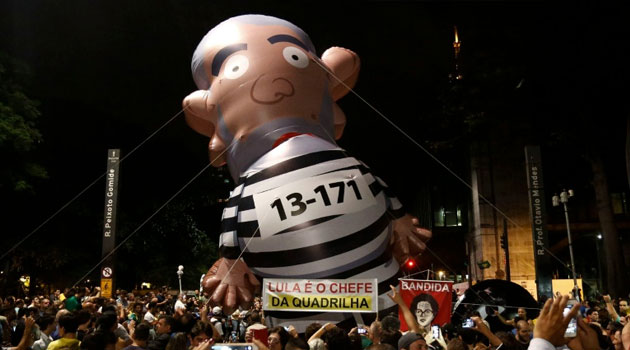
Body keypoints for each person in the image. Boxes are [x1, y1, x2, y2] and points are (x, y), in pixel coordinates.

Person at [187, 14, 431, 329]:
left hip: (328, 308)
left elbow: (232, 225)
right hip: (360, 304)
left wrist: (232, 263)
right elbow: (379, 188)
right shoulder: (343, 166)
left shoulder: (247, 190)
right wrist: (232, 264)